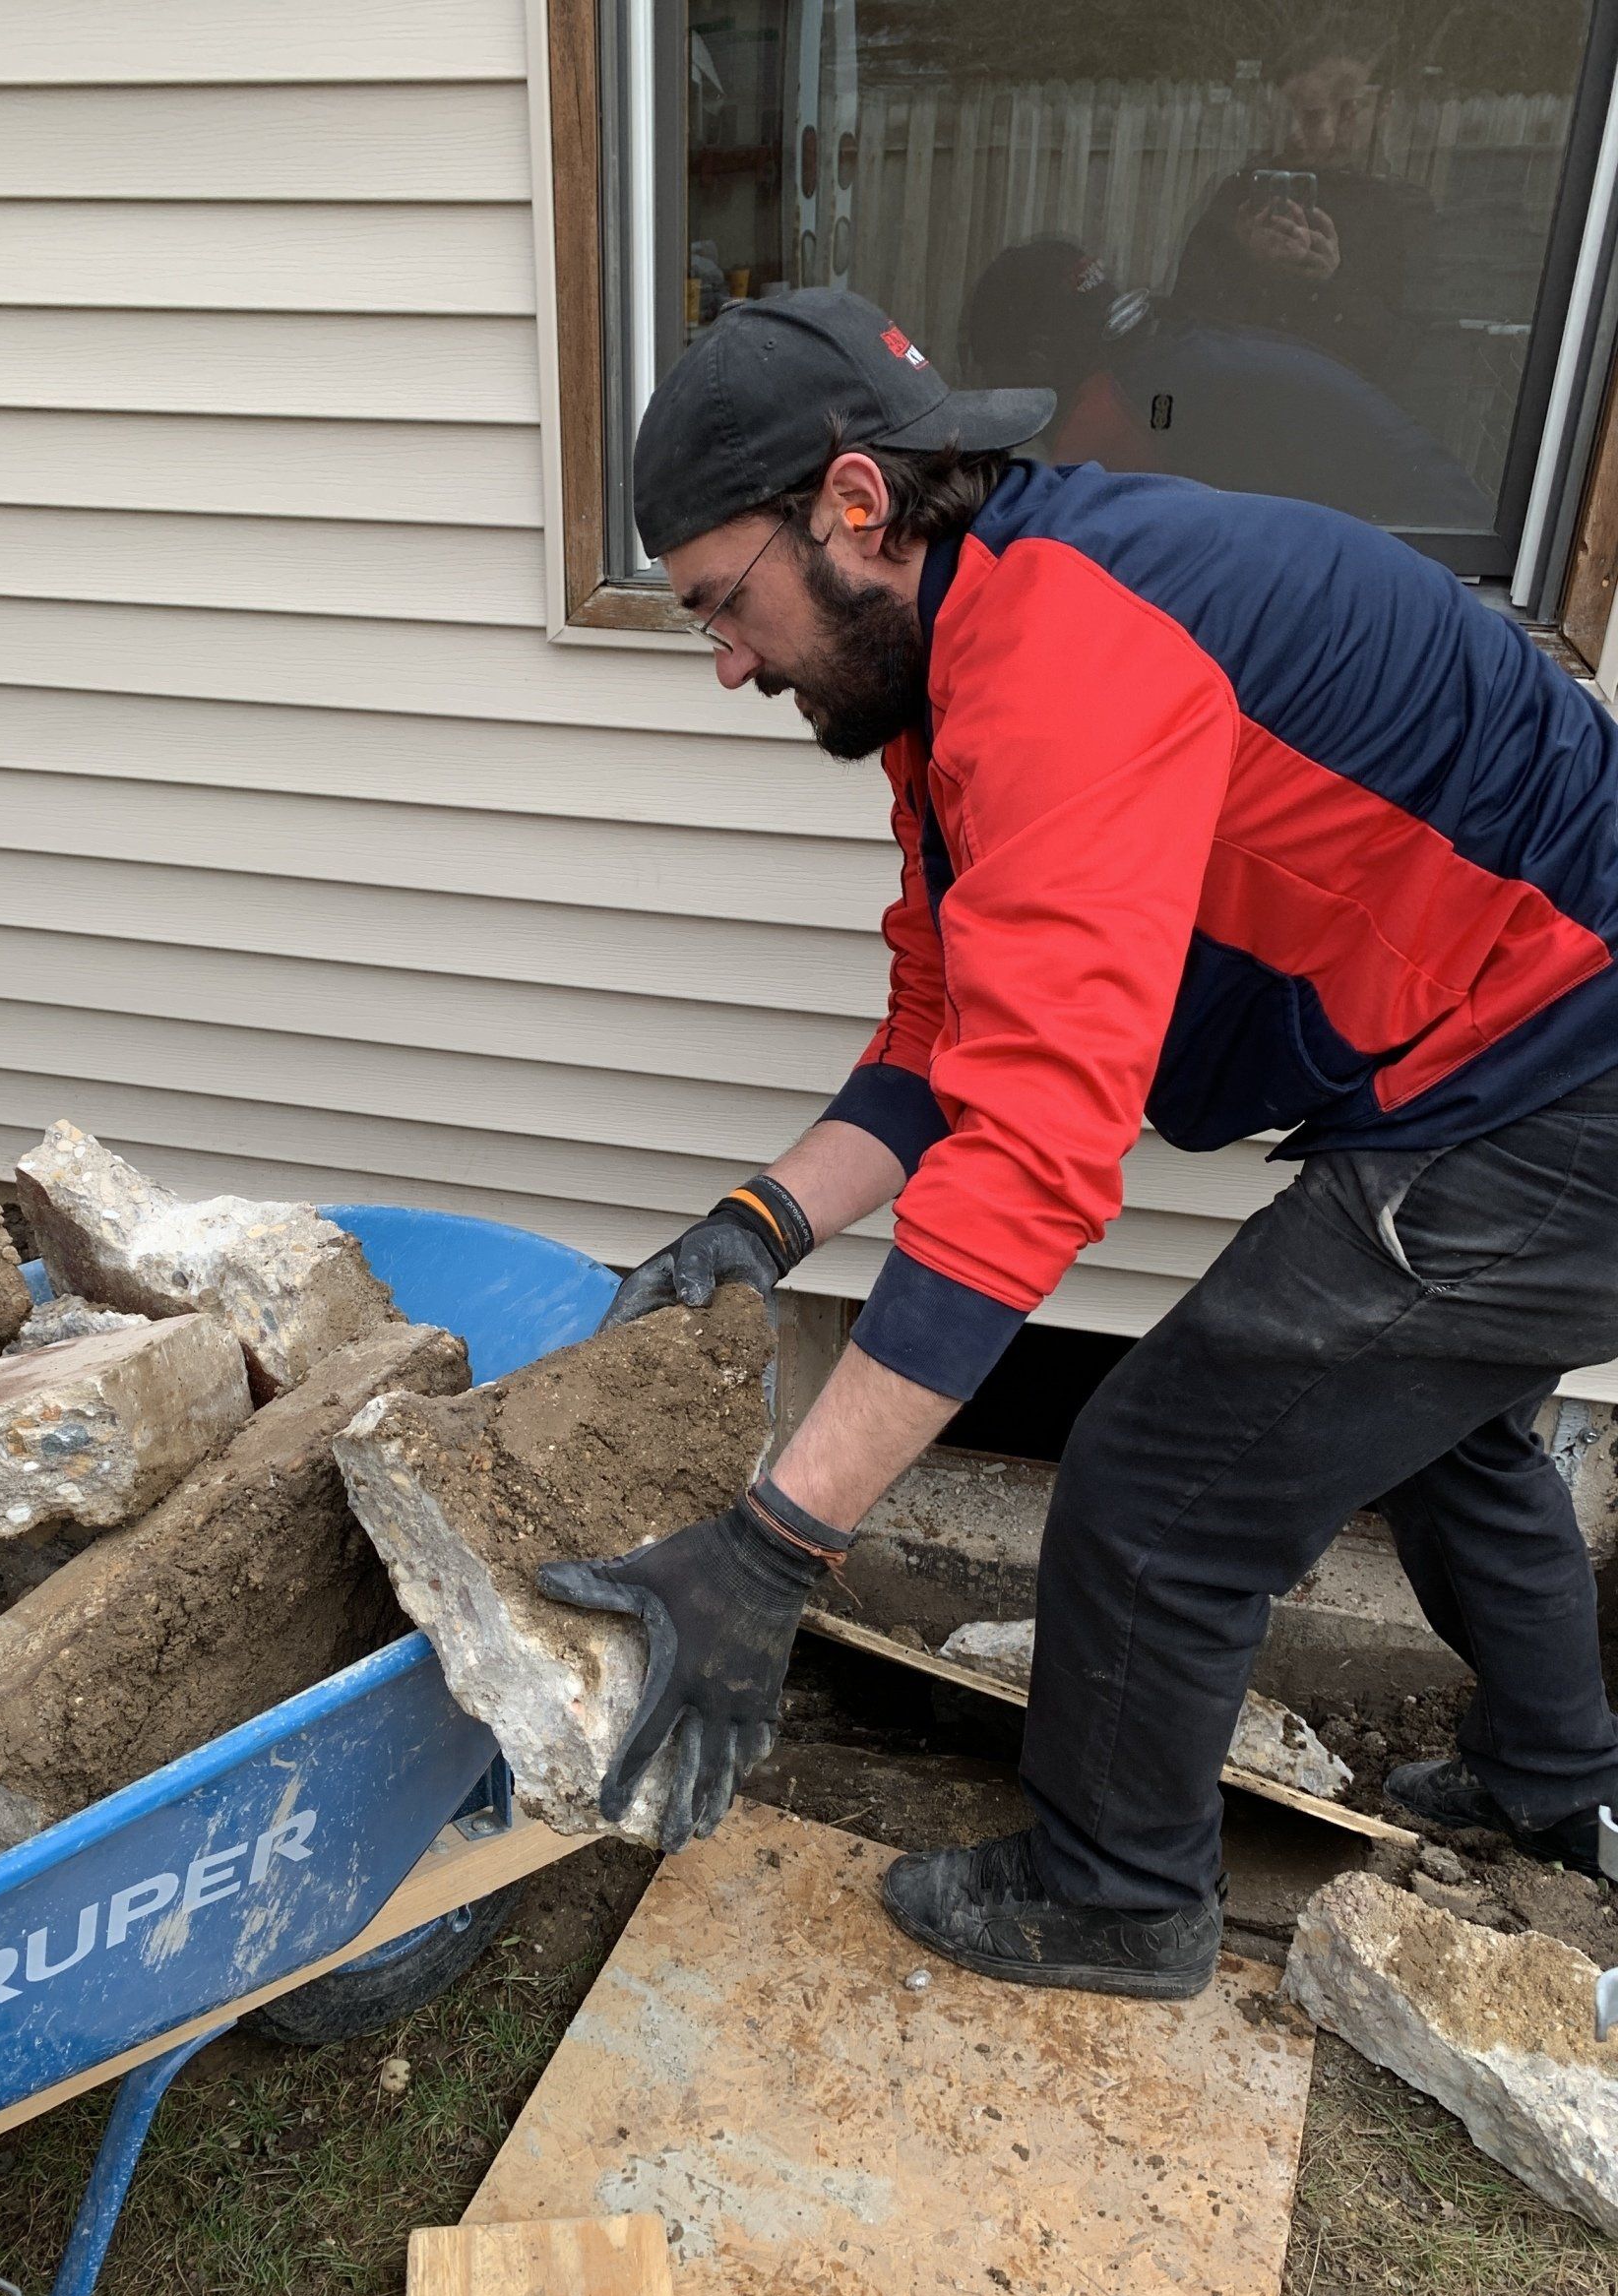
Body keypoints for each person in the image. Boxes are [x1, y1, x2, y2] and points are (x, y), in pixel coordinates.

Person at [535, 286, 1618, 2003]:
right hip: (1508, 1039)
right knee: (1432, 1414)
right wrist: (763, 1222)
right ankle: (1561, 1786)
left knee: (1160, 1486)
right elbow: (947, 1018)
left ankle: (1120, 1897)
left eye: (725, 605)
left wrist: (774, 1547)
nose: (729, 661)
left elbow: (1039, 1148)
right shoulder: (956, 658)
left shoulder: (1066, 658)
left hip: (1565, 1076)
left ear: (856, 506)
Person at [963, 236, 1489, 531]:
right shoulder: (1181, 347)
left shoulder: (1120, 400)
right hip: (1449, 538)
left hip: (1437, 554)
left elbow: (1059, 543)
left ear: (1037, 358)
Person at [1170, 41, 1433, 396]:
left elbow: (1410, 356)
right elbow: (1183, 326)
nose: (1293, 133)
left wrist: (1334, 281)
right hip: (1238, 403)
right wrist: (1244, 261)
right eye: (1283, 115)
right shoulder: (1240, 194)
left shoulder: (1401, 209)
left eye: (1316, 115)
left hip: (1342, 418)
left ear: (1381, 107)